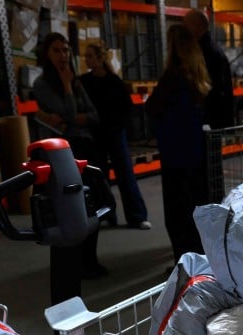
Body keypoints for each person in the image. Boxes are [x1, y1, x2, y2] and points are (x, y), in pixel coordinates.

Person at [32, 32, 111, 281]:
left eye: (66, 50)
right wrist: (67, 90)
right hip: (61, 155)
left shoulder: (76, 82)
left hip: (86, 147)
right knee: (67, 206)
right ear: (47, 54)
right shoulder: (42, 85)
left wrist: (71, 117)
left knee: (92, 203)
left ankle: (90, 259)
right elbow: (68, 112)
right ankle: (73, 264)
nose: (63, 55)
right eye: (57, 50)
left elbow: (94, 115)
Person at [145, 23, 211, 265]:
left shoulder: (173, 78)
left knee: (176, 213)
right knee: (192, 209)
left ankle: (183, 264)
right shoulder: (197, 78)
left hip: (175, 154)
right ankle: (197, 260)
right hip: (194, 153)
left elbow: (152, 107)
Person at [79, 41, 151, 231]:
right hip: (96, 135)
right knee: (98, 177)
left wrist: (118, 125)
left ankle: (137, 216)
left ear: (100, 58)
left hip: (115, 133)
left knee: (125, 174)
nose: (87, 60)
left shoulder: (114, 82)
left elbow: (126, 108)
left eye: (90, 56)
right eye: (85, 56)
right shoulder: (84, 82)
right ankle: (106, 214)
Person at [184, 8, 234, 202]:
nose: (183, 29)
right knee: (210, 168)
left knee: (209, 169)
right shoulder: (207, 49)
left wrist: (208, 121)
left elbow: (216, 93)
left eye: (186, 25)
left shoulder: (207, 53)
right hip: (210, 123)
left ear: (196, 26)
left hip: (208, 123)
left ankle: (212, 205)